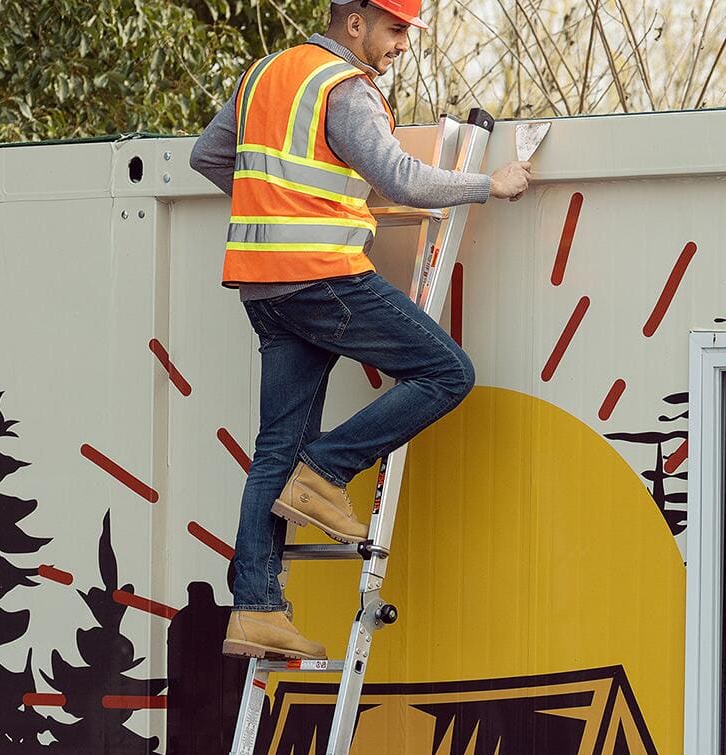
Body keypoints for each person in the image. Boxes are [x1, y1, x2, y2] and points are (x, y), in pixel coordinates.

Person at [190, 0, 532, 660]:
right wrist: (491, 184)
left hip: (261, 286)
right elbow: (398, 176)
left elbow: (209, 156)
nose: (402, 44)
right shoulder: (344, 87)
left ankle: (257, 608)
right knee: (446, 373)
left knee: (275, 444)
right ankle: (323, 473)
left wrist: (278, 201)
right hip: (322, 275)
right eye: (396, 28)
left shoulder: (265, 74)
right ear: (356, 23)